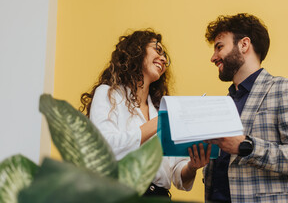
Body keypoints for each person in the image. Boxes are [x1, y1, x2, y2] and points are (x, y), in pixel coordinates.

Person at [80, 29, 211, 198]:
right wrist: (159, 123)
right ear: (136, 51)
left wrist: (192, 166)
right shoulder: (108, 94)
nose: (163, 59)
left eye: (165, 57)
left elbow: (176, 173)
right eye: (158, 50)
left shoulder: (159, 110)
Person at [203, 13, 288, 202]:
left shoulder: (287, 89)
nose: (213, 57)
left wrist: (246, 147)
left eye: (219, 47)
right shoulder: (224, 103)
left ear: (244, 44)